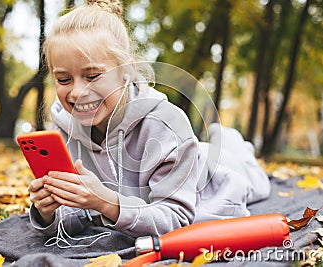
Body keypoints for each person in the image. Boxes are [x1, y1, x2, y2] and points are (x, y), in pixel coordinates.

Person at [28, 0, 271, 239]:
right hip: (180, 162)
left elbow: (176, 219)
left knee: (254, 178)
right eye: (63, 79)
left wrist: (106, 202)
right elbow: (77, 216)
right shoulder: (62, 132)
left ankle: (231, 141)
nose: (77, 92)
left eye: (92, 76)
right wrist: (48, 212)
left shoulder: (165, 125)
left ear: (126, 72)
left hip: (210, 180)